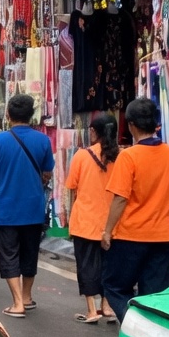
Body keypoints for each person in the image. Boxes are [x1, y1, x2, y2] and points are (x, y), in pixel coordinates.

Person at [101, 98, 169, 337]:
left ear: (132, 126)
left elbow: (120, 199)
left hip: (132, 235)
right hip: (167, 235)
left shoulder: (129, 156)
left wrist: (107, 231)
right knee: (153, 293)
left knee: (114, 286)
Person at [0, 94, 54, 319]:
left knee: (9, 254)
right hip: (33, 208)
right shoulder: (43, 140)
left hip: (6, 210)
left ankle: (17, 304)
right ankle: (26, 297)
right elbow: (47, 172)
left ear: (8, 115)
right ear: (31, 115)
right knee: (30, 254)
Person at [65, 115, 120, 325]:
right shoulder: (122, 157)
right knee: (108, 266)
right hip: (112, 224)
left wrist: (69, 218)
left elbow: (71, 187)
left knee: (87, 266)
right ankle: (106, 306)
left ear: (94, 132)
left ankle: (91, 310)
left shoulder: (81, 156)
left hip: (84, 221)